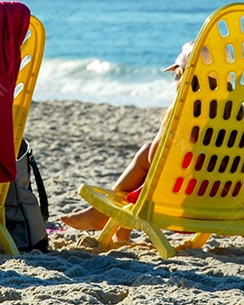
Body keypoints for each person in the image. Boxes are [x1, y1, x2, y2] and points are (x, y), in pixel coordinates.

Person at [60, 41, 195, 242]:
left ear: (183, 79)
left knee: (146, 153)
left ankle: (104, 218)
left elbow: (155, 156)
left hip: (182, 201)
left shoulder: (182, 114)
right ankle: (115, 226)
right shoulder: (236, 116)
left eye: (177, 76)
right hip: (220, 201)